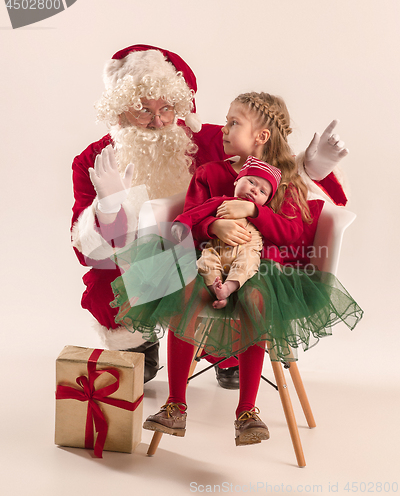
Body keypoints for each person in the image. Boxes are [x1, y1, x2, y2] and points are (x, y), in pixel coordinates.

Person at [71, 43, 350, 387]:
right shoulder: (93, 160)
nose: (157, 121)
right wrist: (109, 208)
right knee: (105, 284)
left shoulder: (214, 140)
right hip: (145, 259)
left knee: (234, 280)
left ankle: (226, 352)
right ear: (119, 109)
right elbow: (89, 254)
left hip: (213, 251)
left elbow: (269, 168)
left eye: (167, 108)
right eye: (142, 110)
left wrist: (310, 166)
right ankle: (140, 343)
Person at [134, 92, 363, 446]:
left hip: (266, 270)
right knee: (185, 297)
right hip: (208, 260)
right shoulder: (210, 174)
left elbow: (293, 233)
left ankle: (247, 411)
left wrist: (255, 211)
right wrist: (215, 226)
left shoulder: (284, 182)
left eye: (233, 122)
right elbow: (190, 221)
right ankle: (175, 405)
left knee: (256, 302)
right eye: (226, 121)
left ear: (261, 136)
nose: (224, 129)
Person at [174, 156, 282, 309]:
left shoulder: (263, 213)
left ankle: (227, 289)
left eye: (263, 191)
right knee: (206, 262)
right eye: (251, 182)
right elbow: (197, 213)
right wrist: (181, 223)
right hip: (217, 248)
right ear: (237, 181)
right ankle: (217, 291)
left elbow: (277, 232)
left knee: (248, 264)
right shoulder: (222, 201)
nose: (254, 190)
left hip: (246, 251)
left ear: (266, 201)